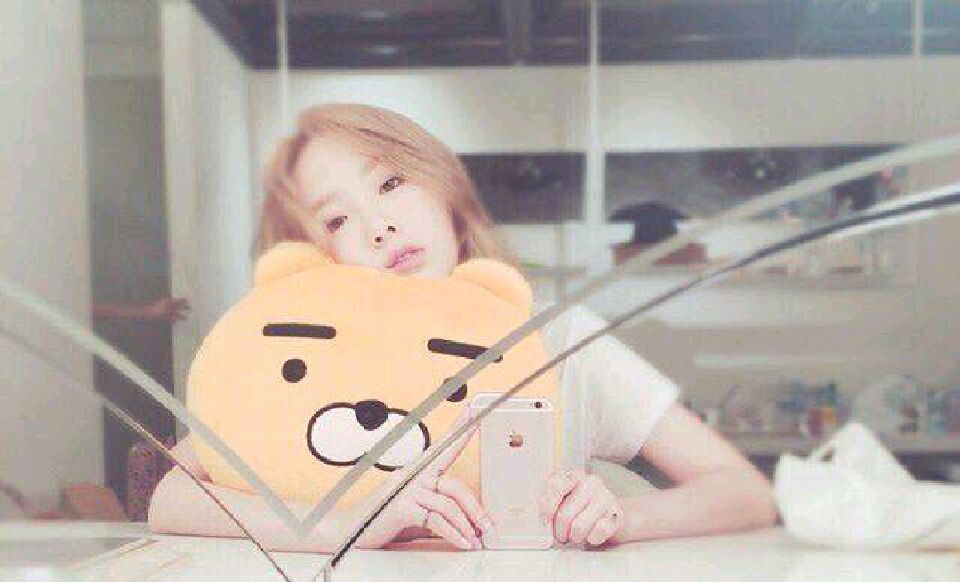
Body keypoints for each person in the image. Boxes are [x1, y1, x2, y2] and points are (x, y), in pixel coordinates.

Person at [148, 103, 777, 552]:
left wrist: (619, 517)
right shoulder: (320, 358)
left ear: (442, 185)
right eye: (336, 220)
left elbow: (744, 492)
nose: (379, 227)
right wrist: (344, 527)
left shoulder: (558, 338)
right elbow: (171, 497)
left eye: (391, 183)